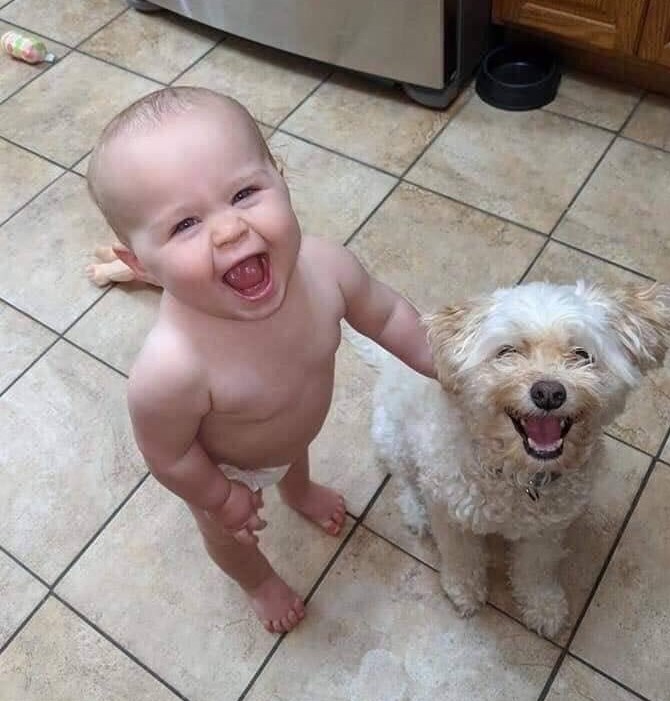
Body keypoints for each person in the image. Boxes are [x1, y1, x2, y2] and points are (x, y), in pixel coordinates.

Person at [87, 86, 435, 633]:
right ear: (143, 266)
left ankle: (298, 490)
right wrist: (221, 496)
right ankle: (258, 582)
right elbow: (169, 455)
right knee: (230, 537)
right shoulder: (172, 368)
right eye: (184, 224)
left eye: (245, 192)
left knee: (293, 448)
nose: (230, 230)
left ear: (281, 177)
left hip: (291, 431)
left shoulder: (326, 269)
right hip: (227, 467)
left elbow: (388, 314)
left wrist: (445, 362)